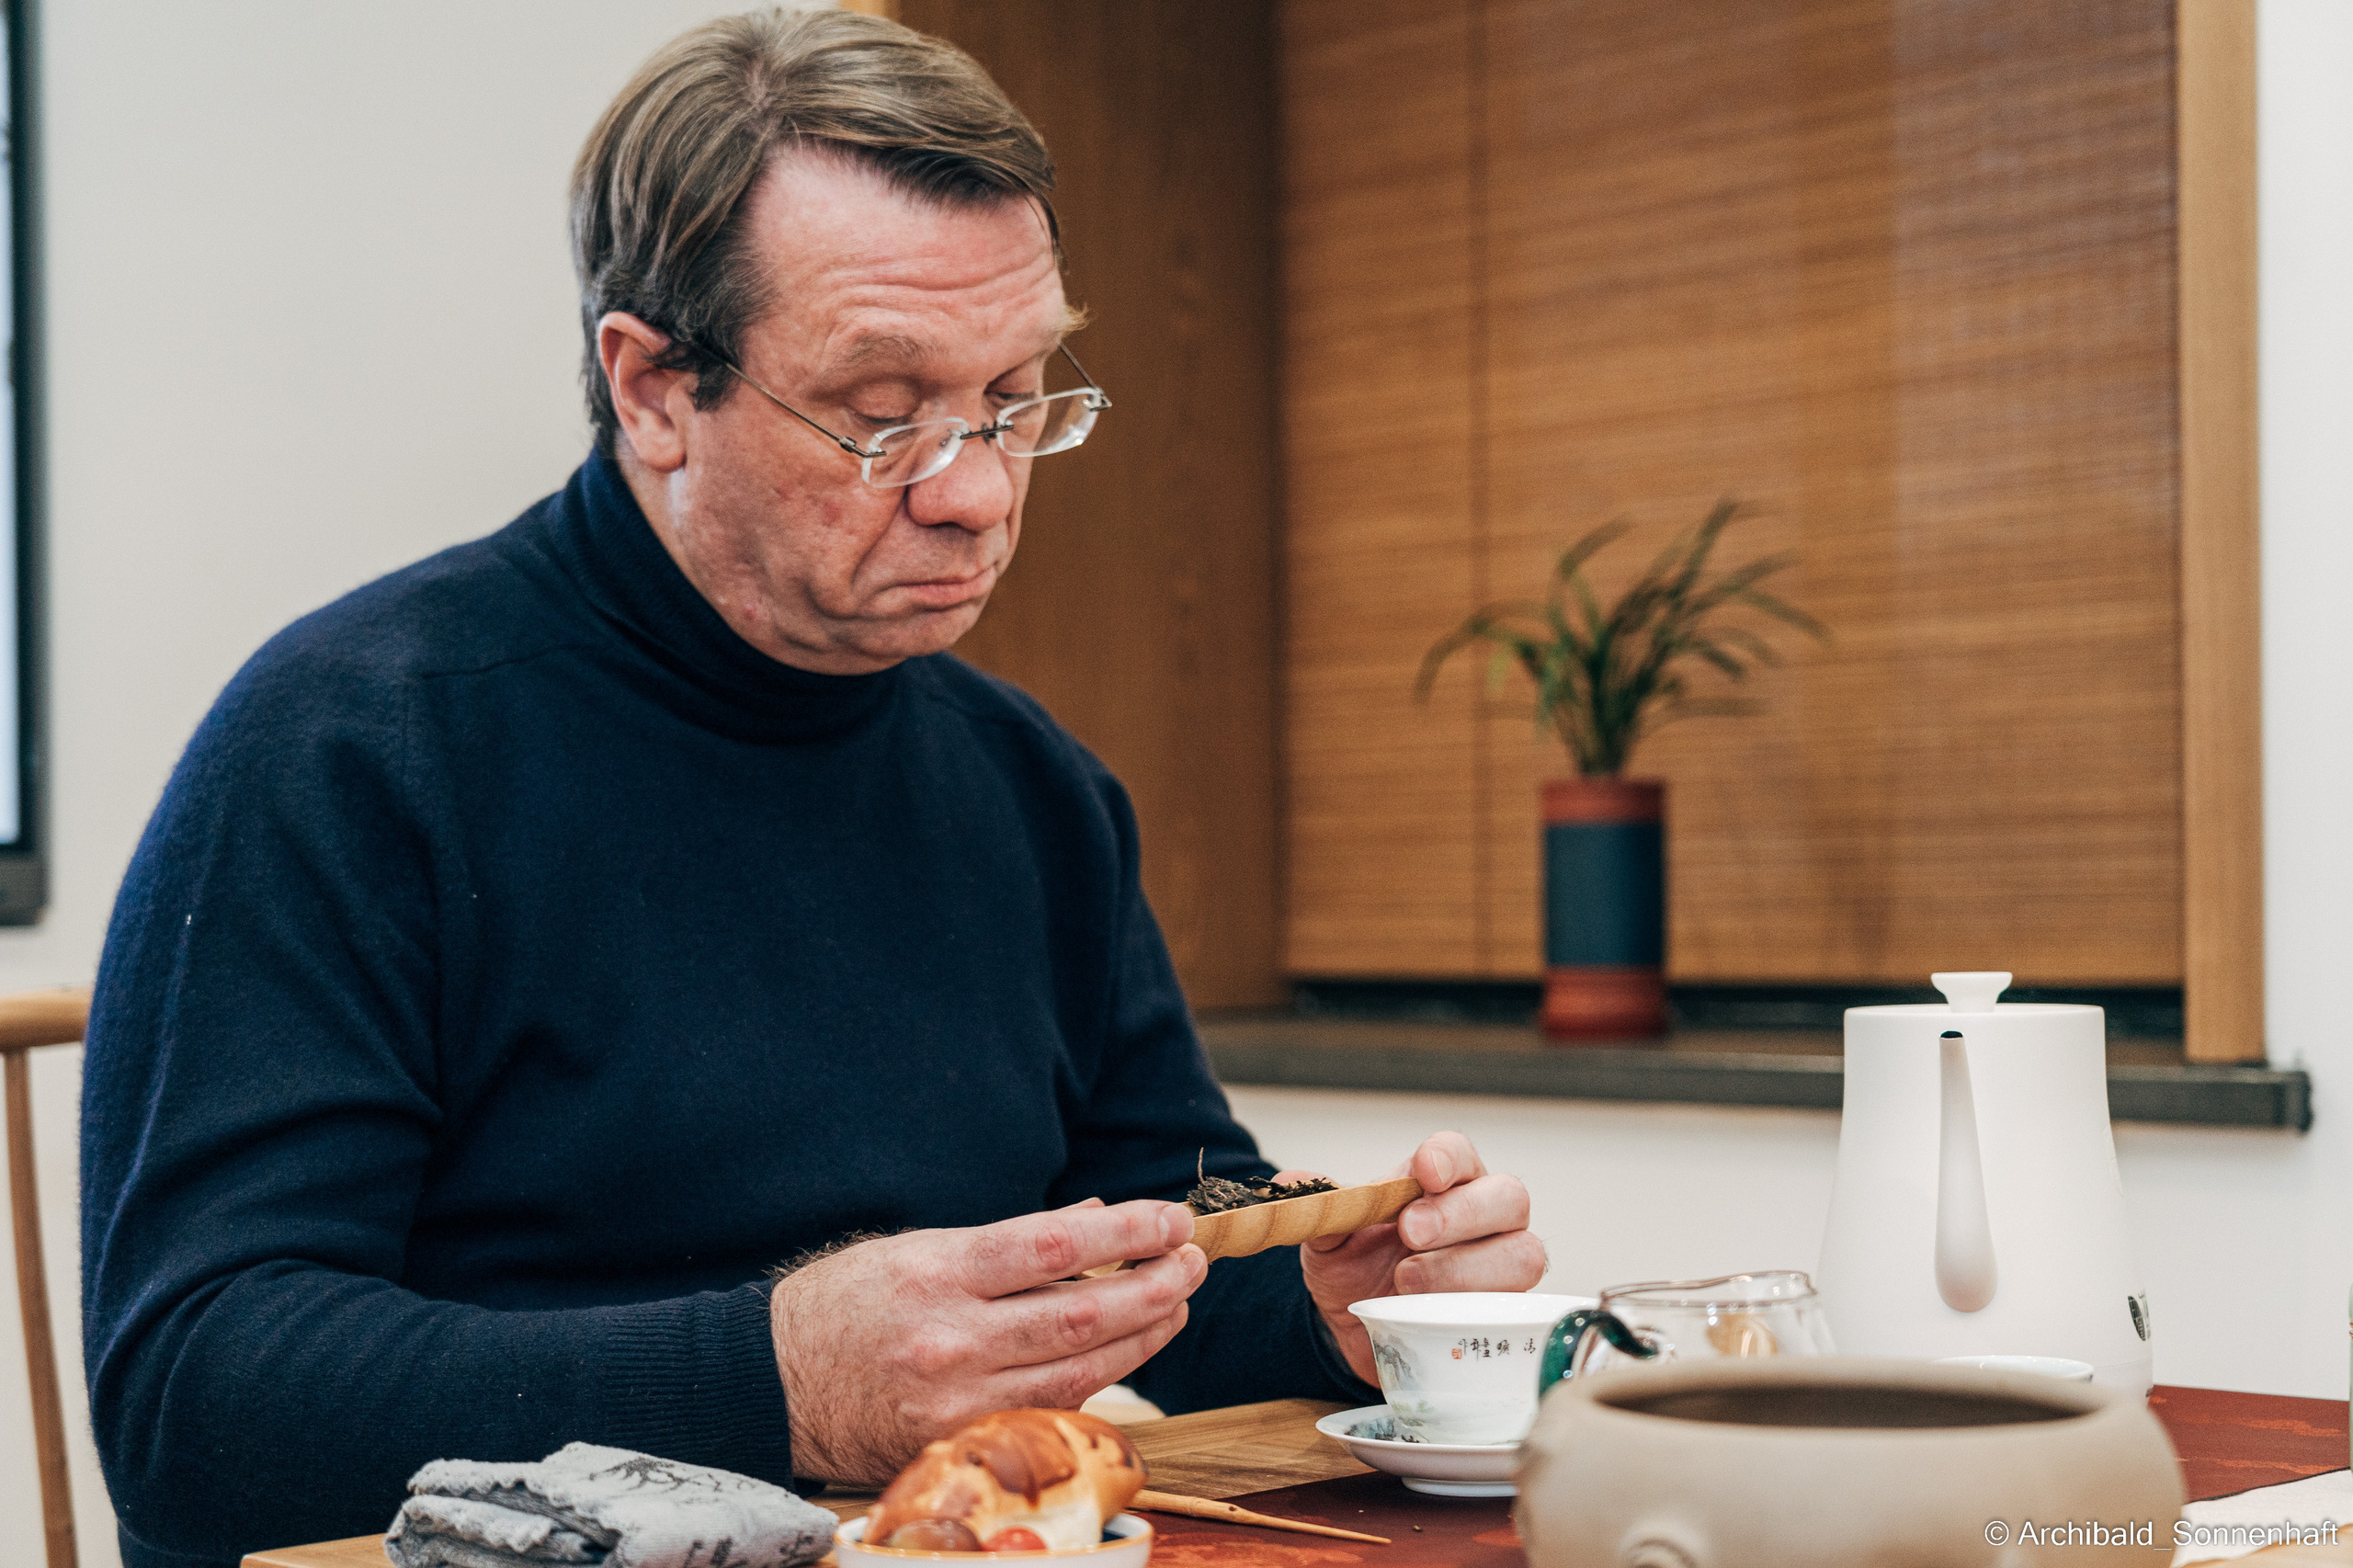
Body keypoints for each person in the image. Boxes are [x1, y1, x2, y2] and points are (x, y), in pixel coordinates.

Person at [79, 12, 1544, 1568]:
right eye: (884, 413)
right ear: (652, 390)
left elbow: (1153, 1244)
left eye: (1016, 392)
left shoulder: (1034, 791)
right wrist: (780, 1380)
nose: (977, 489)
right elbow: (197, 1413)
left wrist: (1331, 1299)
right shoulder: (351, 749)